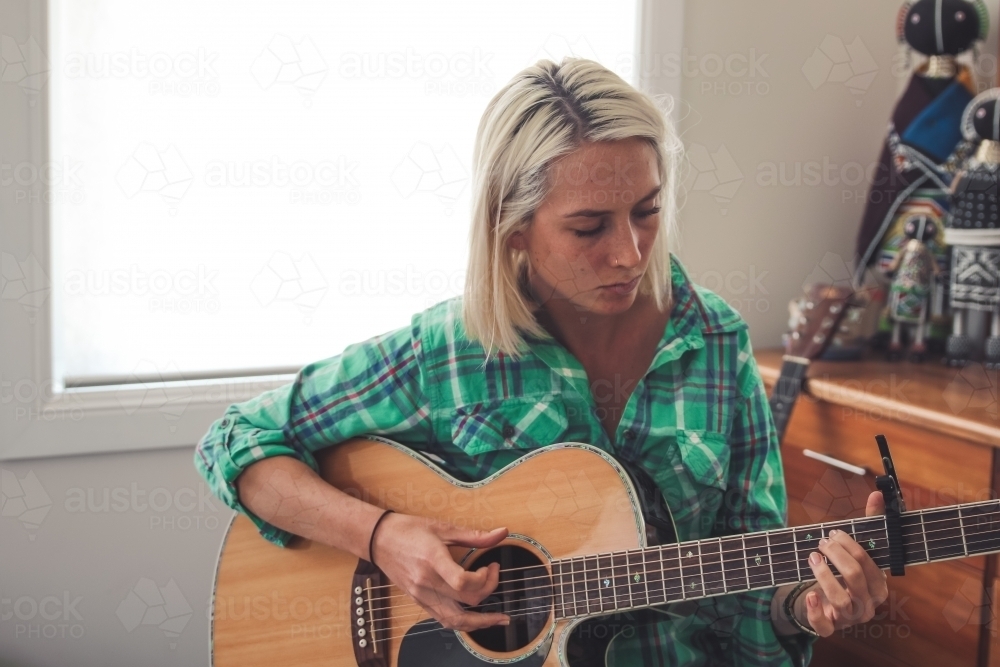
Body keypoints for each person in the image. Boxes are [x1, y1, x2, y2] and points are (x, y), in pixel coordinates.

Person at [195, 57, 889, 666]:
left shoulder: (715, 342)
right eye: (589, 226)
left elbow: (754, 576)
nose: (629, 252)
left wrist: (805, 605)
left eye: (646, 212)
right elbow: (236, 443)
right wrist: (382, 537)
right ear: (514, 226)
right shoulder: (449, 351)